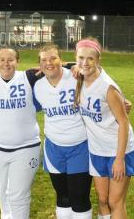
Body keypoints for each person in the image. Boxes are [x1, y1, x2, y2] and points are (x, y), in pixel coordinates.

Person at [75, 37, 134, 219]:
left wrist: (119, 159)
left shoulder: (107, 87)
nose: (85, 63)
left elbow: (124, 123)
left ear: (98, 60)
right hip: (96, 150)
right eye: (81, 58)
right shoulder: (79, 76)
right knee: (102, 200)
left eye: (90, 59)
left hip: (118, 151)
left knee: (115, 202)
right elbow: (63, 65)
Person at [33, 43, 92, 219]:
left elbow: (97, 77)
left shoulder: (77, 77)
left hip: (80, 146)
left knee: (79, 197)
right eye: (44, 60)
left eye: (53, 58)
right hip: (54, 149)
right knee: (62, 197)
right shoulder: (38, 86)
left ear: (62, 60)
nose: (49, 63)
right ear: (39, 64)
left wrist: (120, 100)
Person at [0, 48, 41, 219]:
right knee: (2, 193)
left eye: (10, 60)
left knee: (18, 195)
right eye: (1, 59)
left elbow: (57, 67)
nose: (6, 64)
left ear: (18, 61)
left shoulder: (29, 77)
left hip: (26, 147)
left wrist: (75, 66)